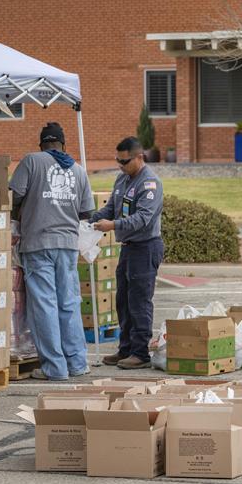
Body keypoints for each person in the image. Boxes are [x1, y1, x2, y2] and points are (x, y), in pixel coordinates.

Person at [9, 122, 95, 381]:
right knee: (69, 303)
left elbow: (12, 198)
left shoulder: (31, 162)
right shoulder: (78, 170)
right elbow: (87, 211)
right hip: (68, 245)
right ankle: (77, 363)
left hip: (38, 243)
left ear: (41, 144)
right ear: (63, 144)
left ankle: (54, 368)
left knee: (44, 305)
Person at [90, 136, 164, 370]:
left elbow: (143, 218)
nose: (120, 166)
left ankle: (140, 353)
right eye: (118, 161)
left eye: (124, 161)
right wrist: (89, 219)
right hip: (129, 248)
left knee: (139, 301)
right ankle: (126, 348)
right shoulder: (122, 180)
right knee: (122, 300)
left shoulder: (149, 183)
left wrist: (112, 226)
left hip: (146, 246)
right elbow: (111, 208)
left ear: (139, 157)